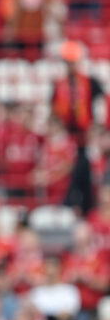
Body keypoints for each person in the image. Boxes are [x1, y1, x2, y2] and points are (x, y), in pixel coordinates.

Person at [51, 40, 105, 214]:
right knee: (69, 174)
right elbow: (54, 113)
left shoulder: (90, 83)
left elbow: (101, 106)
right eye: (67, 62)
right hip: (68, 139)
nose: (70, 65)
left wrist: (96, 130)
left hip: (87, 138)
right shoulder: (58, 85)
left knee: (88, 173)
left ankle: (89, 207)